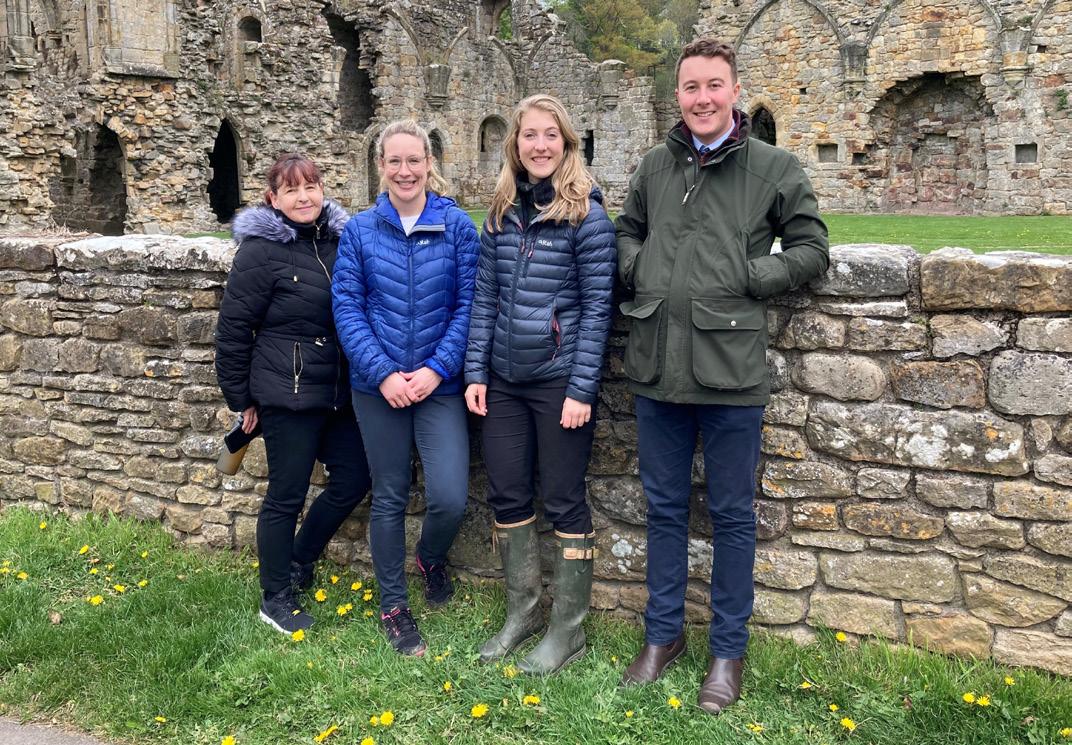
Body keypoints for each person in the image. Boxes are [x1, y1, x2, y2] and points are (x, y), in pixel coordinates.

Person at [615, 39, 829, 712]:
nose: (702, 98)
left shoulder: (774, 167)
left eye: (714, 85)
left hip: (731, 369)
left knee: (733, 515)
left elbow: (812, 247)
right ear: (677, 95)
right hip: (656, 364)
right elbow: (625, 232)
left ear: (734, 91)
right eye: (691, 87)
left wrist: (749, 275)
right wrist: (640, 268)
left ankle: (727, 652)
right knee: (664, 508)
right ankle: (663, 636)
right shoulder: (655, 165)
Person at [465, 94, 616, 675]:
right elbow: (485, 298)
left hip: (558, 382)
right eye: (529, 135)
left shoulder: (588, 218)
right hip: (503, 381)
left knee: (562, 499)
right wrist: (476, 371)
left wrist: (582, 389)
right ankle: (523, 613)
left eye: (551, 134)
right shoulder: (501, 213)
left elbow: (599, 311)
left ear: (567, 143)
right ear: (515, 144)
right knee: (507, 494)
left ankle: (567, 630)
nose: (540, 145)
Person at [332, 119, 479, 657]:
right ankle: (394, 606)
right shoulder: (360, 231)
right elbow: (347, 308)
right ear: (381, 167)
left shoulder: (458, 227)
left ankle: (431, 557)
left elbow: (469, 305)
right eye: (394, 161)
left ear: (429, 163)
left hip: (439, 384)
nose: (405, 170)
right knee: (390, 494)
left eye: (413, 160)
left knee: (449, 496)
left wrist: (438, 368)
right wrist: (384, 373)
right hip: (380, 388)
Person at [215, 153, 372, 635]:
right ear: (273, 198)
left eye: (311, 186)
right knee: (286, 495)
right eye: (291, 190)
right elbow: (234, 330)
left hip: (338, 391)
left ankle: (300, 559)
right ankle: (275, 597)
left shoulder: (341, 240)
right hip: (288, 392)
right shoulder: (260, 252)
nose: (304, 197)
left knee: (354, 477)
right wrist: (241, 400)